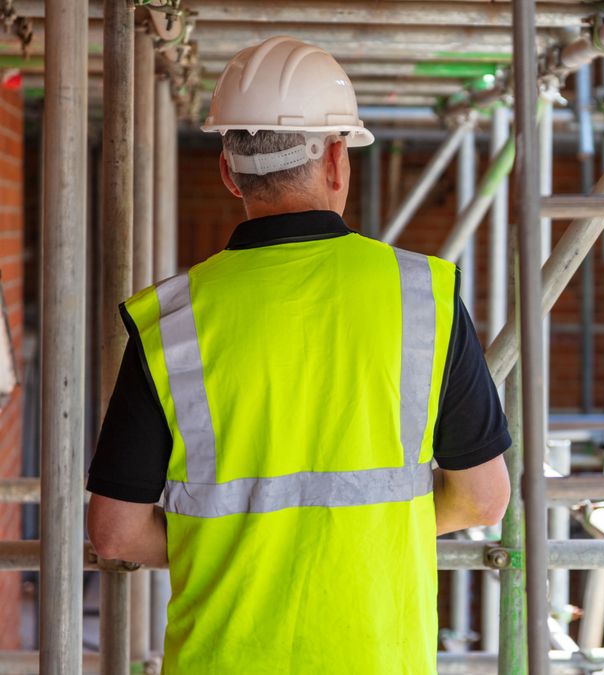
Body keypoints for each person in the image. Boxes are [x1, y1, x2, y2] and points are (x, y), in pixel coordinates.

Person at [85, 36, 511, 673]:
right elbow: (481, 499)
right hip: (379, 657)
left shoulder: (170, 320)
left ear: (229, 172)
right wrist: (362, 542)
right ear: (338, 158)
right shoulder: (425, 297)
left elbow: (116, 532)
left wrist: (243, 544)